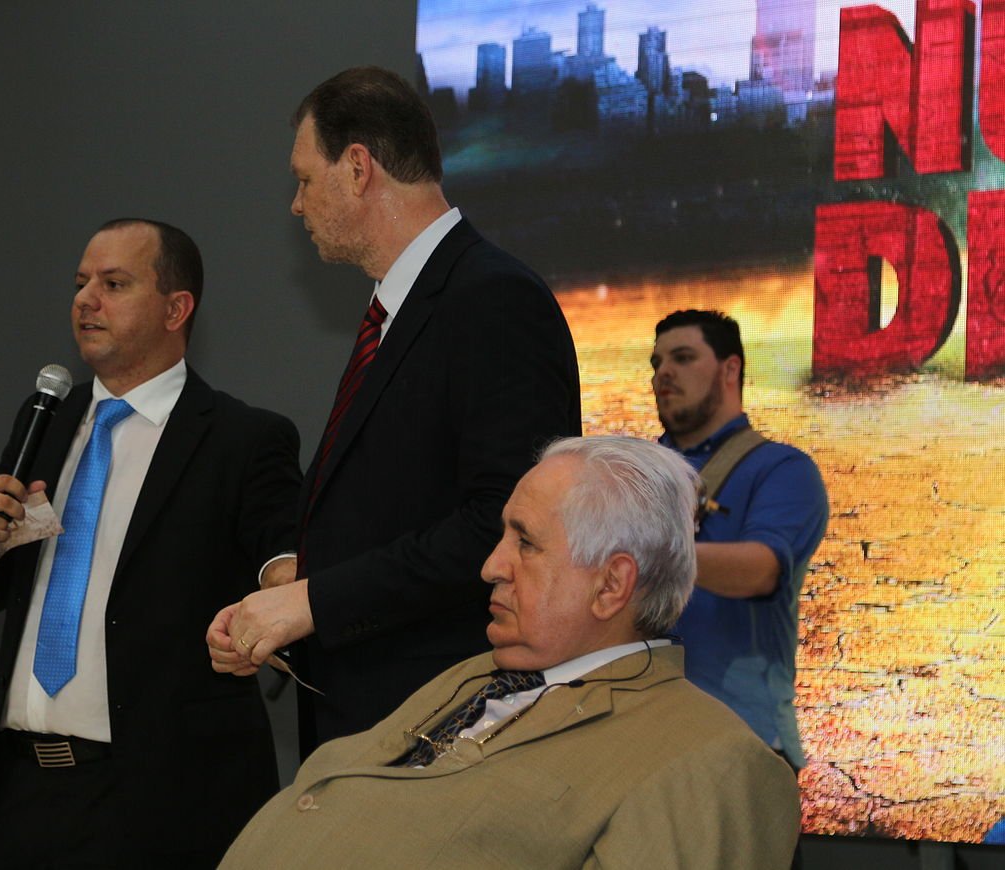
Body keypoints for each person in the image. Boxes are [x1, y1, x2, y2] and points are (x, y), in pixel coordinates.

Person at [207, 65, 580, 756]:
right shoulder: (399, 309)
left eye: (304, 179)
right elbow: (388, 506)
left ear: (357, 168)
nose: (296, 205)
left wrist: (315, 603)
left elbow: (506, 524)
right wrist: (295, 583)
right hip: (378, 721)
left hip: (445, 726)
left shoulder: (494, 299)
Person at [219, 436, 802, 869]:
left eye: (525, 542)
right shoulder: (476, 673)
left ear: (610, 585)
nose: (491, 566)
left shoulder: (711, 759)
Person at [0, 219, 301, 869]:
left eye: (113, 284)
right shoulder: (45, 419)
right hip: (22, 792)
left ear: (176, 309)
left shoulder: (241, 440)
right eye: (80, 283)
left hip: (163, 802)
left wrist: (281, 590)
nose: (86, 300)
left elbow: (284, 574)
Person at [650, 309, 828, 771]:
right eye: (657, 362)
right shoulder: (633, 471)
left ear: (731, 370)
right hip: (640, 739)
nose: (663, 372)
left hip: (743, 742)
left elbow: (760, 570)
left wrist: (637, 553)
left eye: (683, 358)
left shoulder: (782, 470)